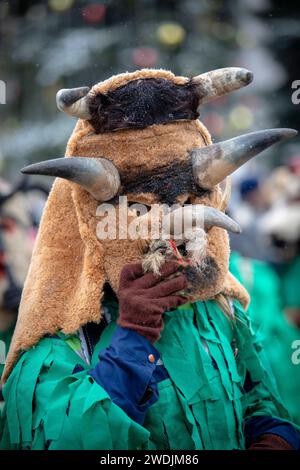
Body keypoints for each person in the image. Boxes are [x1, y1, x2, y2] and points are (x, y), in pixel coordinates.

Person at [0, 68, 299, 450]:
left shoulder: (220, 313)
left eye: (192, 202)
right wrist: (132, 341)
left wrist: (274, 436)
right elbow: (68, 440)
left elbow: (262, 401)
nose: (175, 232)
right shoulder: (58, 342)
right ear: (88, 223)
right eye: (138, 209)